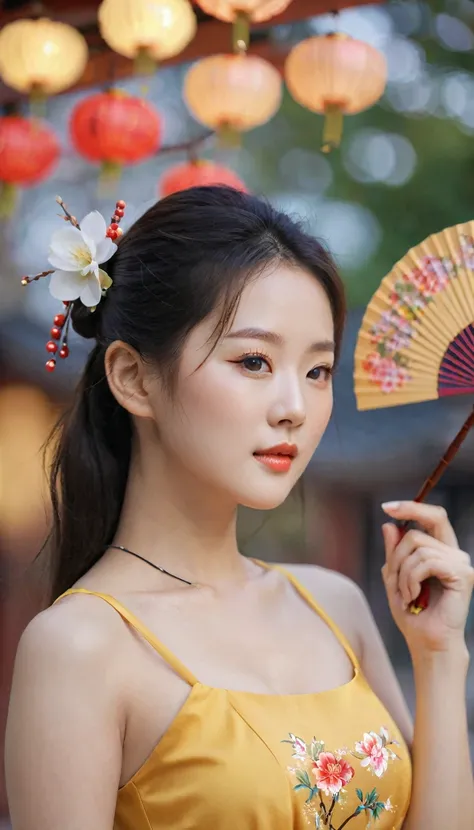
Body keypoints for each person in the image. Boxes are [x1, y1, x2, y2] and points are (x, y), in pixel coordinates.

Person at [5, 186, 473, 830]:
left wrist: (440, 657)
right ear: (133, 378)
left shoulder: (334, 606)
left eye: (317, 371)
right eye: (254, 361)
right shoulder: (81, 646)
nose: (296, 408)